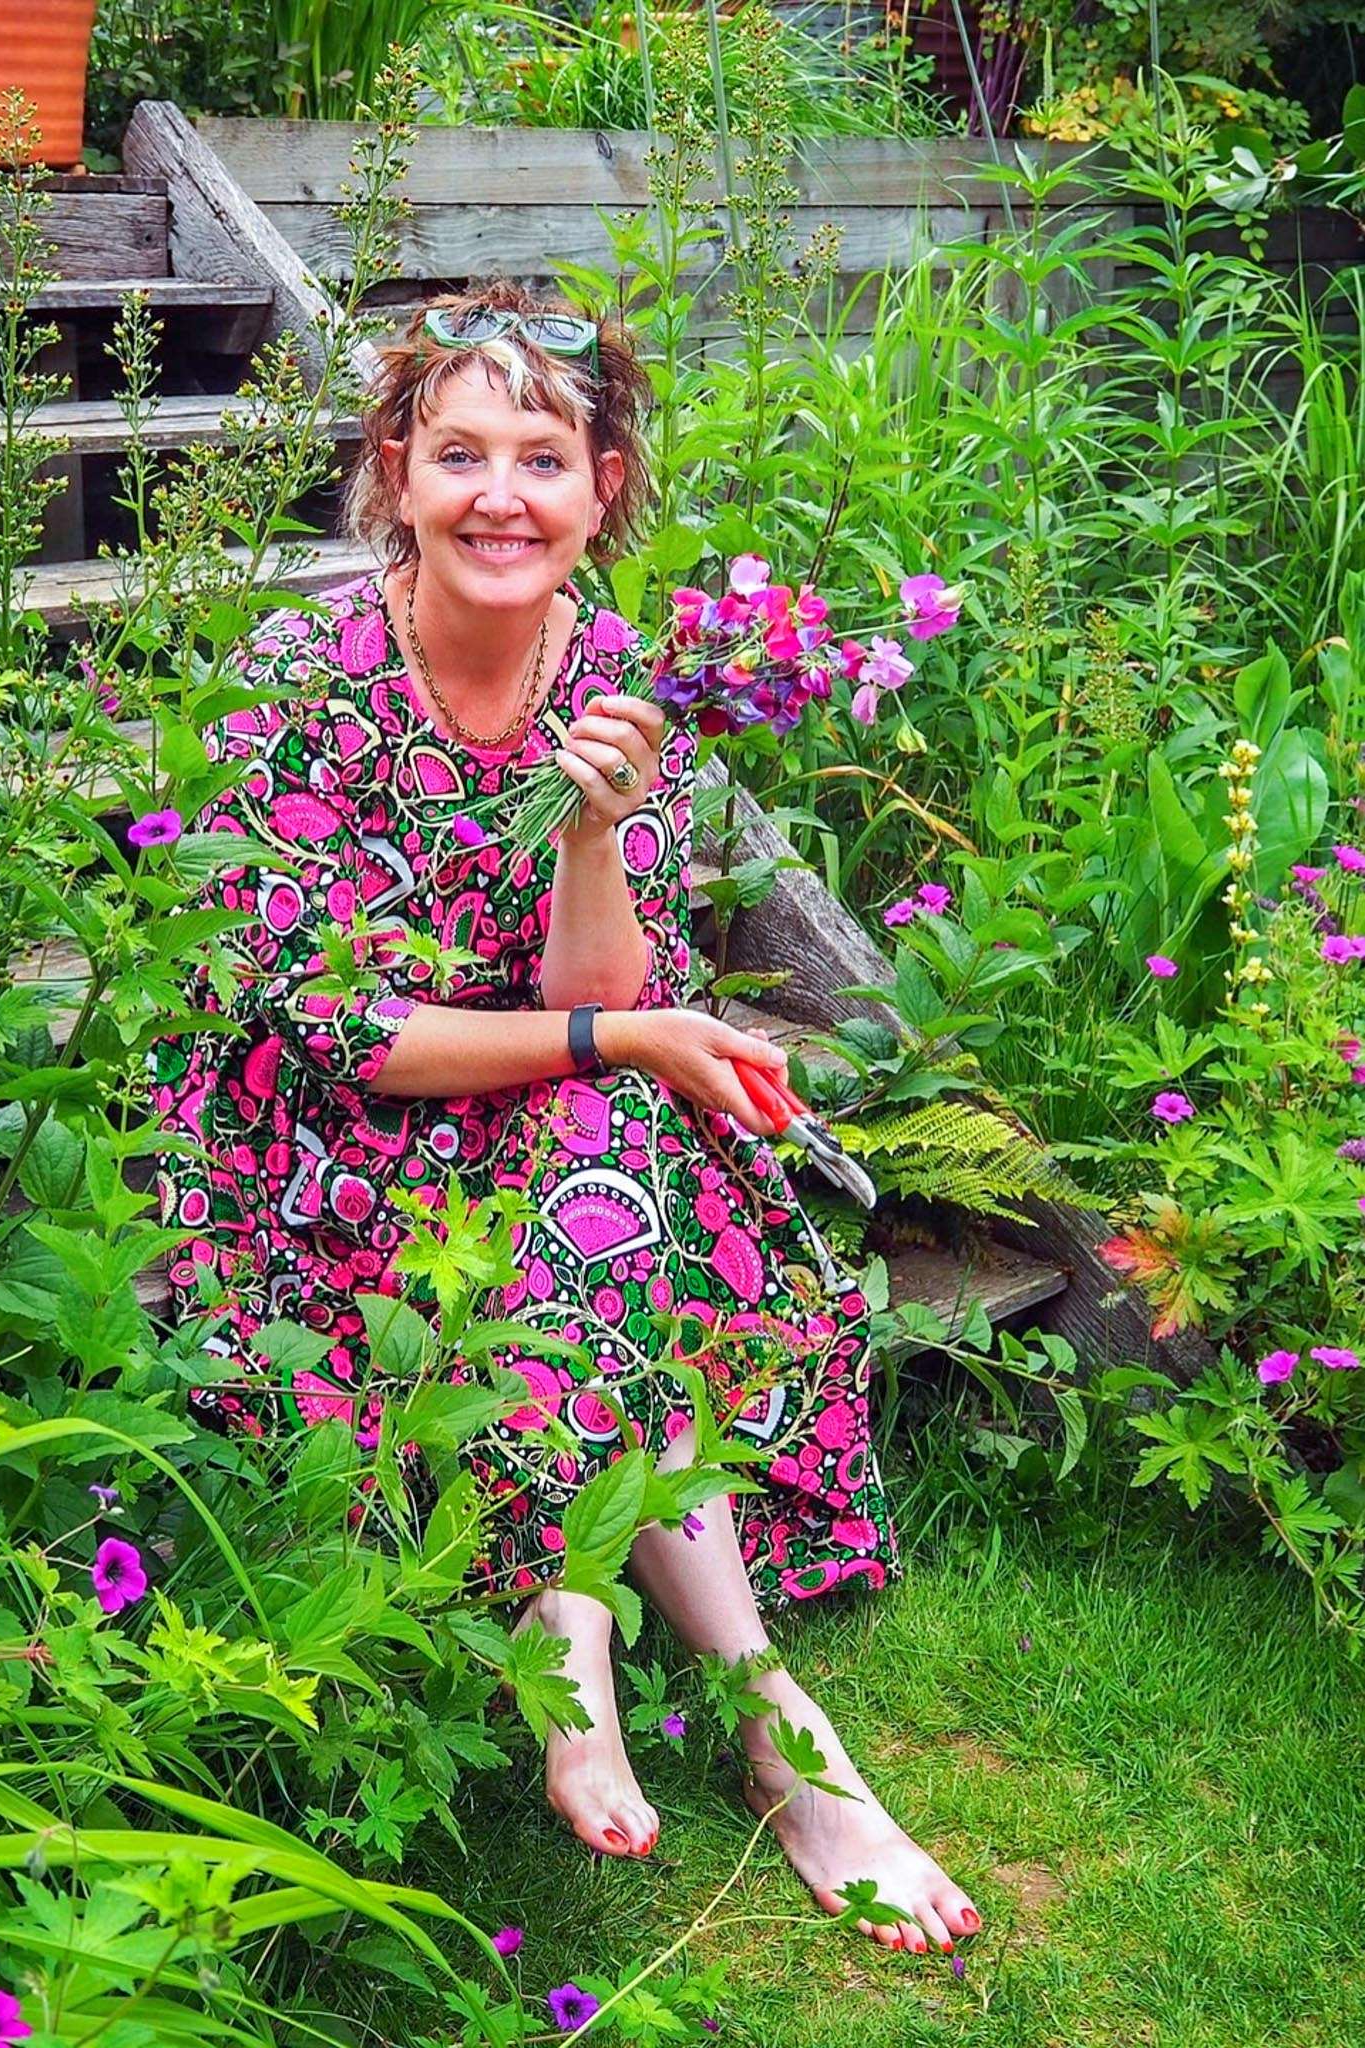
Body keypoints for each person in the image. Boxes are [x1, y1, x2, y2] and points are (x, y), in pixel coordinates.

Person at [151, 281, 980, 1956]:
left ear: (603, 486)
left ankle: (623, 1640)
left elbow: (602, 988)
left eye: (544, 455)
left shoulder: (615, 676)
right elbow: (332, 1038)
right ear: (393, 470)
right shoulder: (297, 670)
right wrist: (631, 1029)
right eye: (459, 453)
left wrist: (592, 835)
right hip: (321, 1150)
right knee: (617, 1159)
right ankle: (736, 1702)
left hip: (542, 1114)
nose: (499, 496)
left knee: (604, 1156)